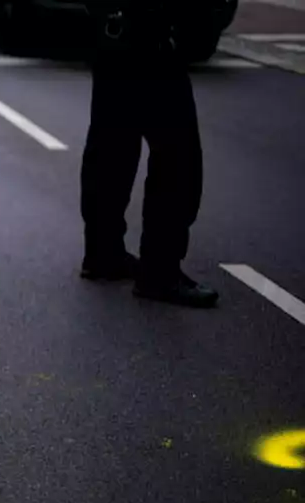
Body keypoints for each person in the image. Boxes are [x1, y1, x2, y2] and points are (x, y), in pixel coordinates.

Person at [78, 0, 218, 308]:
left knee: (112, 146)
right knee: (177, 156)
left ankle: (103, 252)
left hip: (113, 30)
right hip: (149, 33)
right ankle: (159, 271)